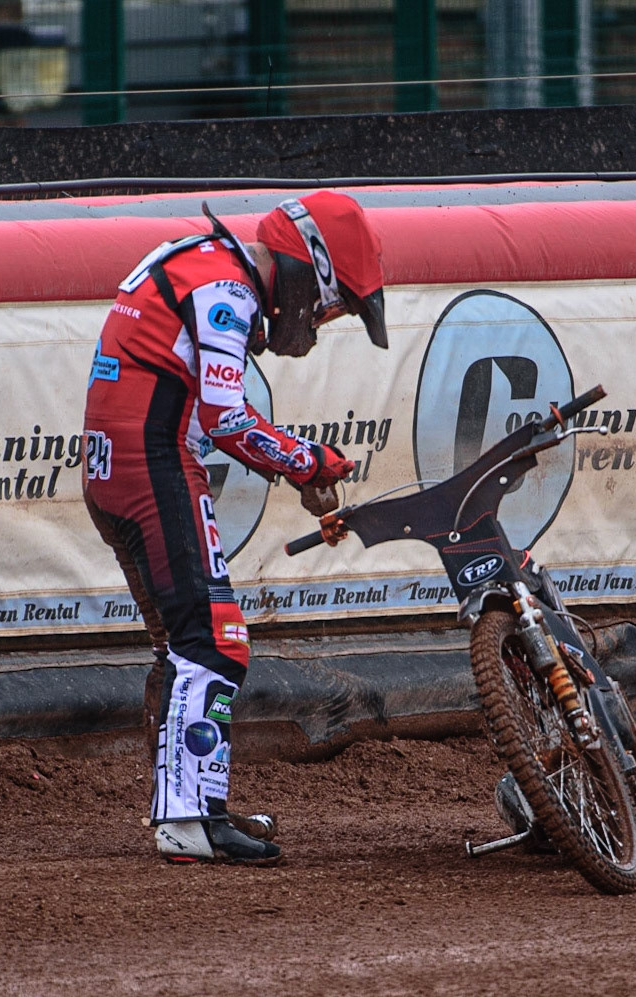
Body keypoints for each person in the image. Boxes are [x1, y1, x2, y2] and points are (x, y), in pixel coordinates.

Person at [82, 191, 388, 865]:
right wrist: (310, 460)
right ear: (310, 268)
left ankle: (192, 806)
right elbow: (226, 416)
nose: (322, 321)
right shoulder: (225, 288)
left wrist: (300, 468)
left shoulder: (203, 261)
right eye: (332, 305)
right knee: (212, 642)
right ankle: (189, 820)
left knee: (187, 644)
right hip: (150, 465)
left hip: (128, 466)